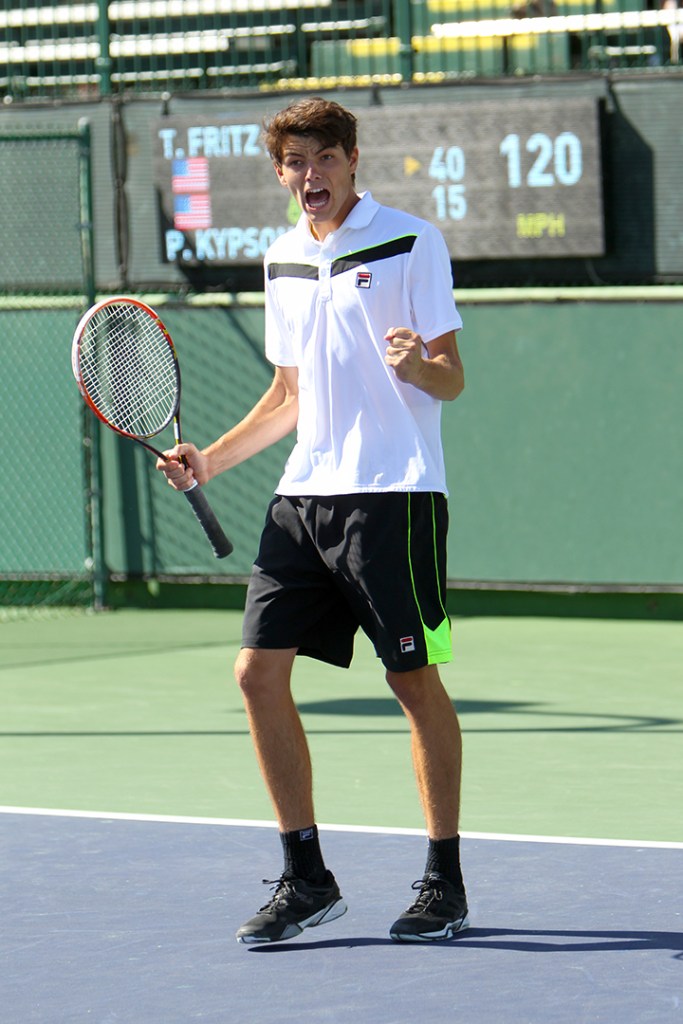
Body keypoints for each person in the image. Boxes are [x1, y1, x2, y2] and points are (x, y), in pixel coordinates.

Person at [157, 96, 468, 944]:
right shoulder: (283, 257)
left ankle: (443, 879)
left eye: (324, 158)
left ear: (351, 160)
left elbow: (451, 378)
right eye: (294, 162)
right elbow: (287, 397)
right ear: (280, 172)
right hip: (302, 499)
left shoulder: (410, 241)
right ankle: (306, 878)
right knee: (256, 675)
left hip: (393, 496)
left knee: (412, 684)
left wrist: (418, 364)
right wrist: (210, 460)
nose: (309, 175)